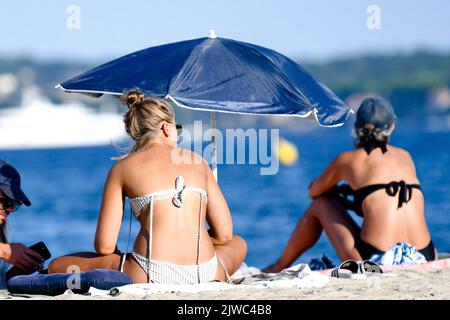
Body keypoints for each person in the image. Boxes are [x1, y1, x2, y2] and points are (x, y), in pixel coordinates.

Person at [48, 90, 247, 284]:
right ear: (166, 128)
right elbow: (224, 235)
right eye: (176, 129)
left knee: (57, 265)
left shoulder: (122, 168)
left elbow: (104, 246)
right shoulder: (199, 162)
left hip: (148, 273)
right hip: (205, 274)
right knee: (238, 244)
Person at [263, 97, 437, 273]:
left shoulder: (348, 159)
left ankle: (279, 265)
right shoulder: (405, 157)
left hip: (376, 259)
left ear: (357, 128)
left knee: (320, 204)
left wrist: (338, 192)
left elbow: (314, 191)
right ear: (391, 127)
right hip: (425, 255)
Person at [0, 159, 44, 288]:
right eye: (5, 201)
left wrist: (16, 272)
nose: (10, 209)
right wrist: (4, 251)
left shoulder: (5, 227)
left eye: (14, 203)